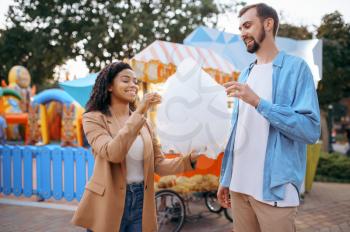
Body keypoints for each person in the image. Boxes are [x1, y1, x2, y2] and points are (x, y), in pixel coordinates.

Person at [217, 3, 321, 232]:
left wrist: (258, 102)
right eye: (240, 28)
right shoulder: (245, 73)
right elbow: (238, 131)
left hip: (275, 192)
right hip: (239, 188)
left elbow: (310, 130)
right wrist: (226, 178)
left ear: (268, 23)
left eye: (247, 25)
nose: (242, 33)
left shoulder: (296, 69)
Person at [71, 62, 199, 232]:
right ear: (109, 86)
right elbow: (113, 153)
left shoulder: (144, 124)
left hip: (141, 201)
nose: (133, 85)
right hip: (108, 201)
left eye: (135, 81)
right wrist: (140, 112)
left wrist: (189, 159)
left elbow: (159, 164)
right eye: (126, 80)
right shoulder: (93, 118)